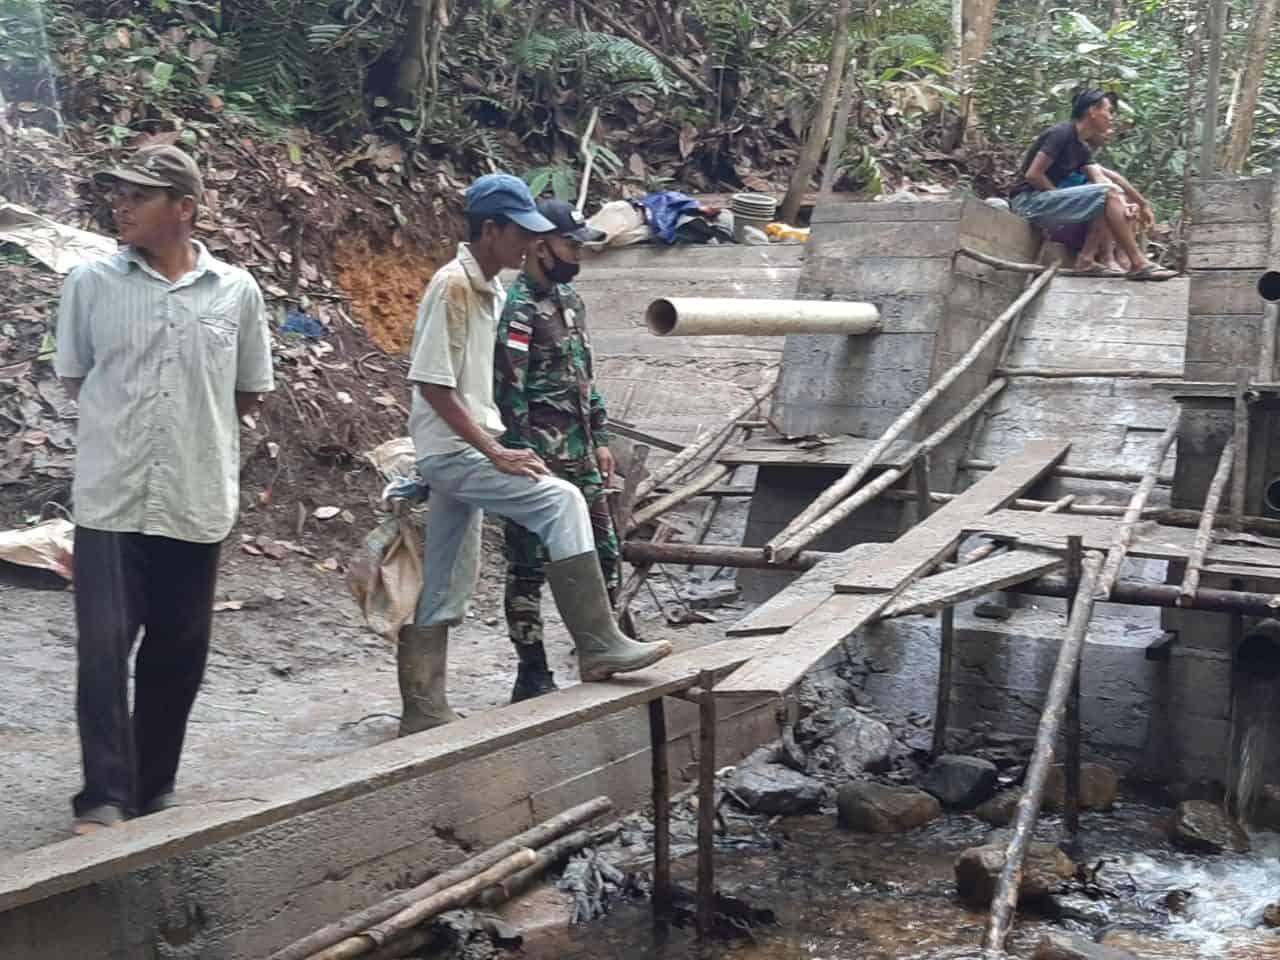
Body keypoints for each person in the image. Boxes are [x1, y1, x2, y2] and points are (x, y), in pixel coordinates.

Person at [54, 144, 275, 835]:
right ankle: (102, 796)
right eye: (117, 192)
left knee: (177, 655)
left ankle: (154, 785)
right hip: (112, 499)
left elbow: (243, 392)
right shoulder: (90, 283)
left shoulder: (235, 292)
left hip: (195, 498)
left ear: (184, 208)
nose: (121, 205)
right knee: (102, 648)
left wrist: (186, 437)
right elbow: (77, 378)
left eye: (139, 195)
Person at [399, 174, 671, 736]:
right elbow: (433, 386)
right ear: (490, 229)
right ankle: (597, 641)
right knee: (561, 502)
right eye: (521, 232)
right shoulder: (452, 286)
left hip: (467, 446)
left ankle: (424, 710)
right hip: (457, 449)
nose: (529, 244)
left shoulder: (490, 289)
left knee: (448, 575)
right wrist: (497, 450)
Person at [494, 199, 620, 703]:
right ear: (542, 246)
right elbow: (508, 389)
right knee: (527, 566)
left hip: (583, 455)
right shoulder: (517, 309)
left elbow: (584, 377)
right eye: (571, 245)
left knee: (605, 553)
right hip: (538, 459)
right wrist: (520, 455)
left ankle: (602, 651)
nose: (578, 255)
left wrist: (602, 436)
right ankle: (532, 670)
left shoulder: (570, 300)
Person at [1010, 89, 1174, 281]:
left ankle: (1086, 260)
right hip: (1028, 202)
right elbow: (1033, 175)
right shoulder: (1061, 133)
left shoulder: (1082, 148)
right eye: (1109, 111)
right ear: (1092, 111)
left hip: (1047, 202)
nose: (1112, 117)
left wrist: (1123, 204)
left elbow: (1102, 180)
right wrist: (1060, 198)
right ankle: (1138, 263)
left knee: (1108, 195)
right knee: (1105, 195)